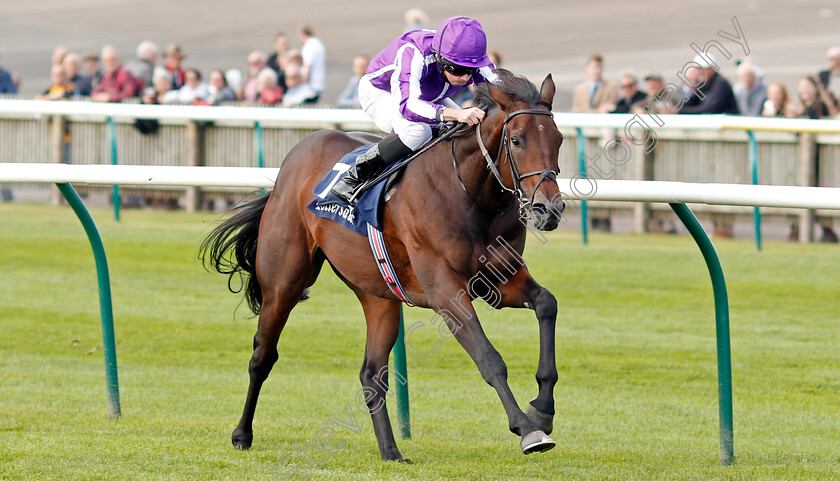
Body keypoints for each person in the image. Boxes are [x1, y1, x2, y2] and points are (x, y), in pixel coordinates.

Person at [330, 15, 497, 204]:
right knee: (418, 132)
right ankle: (357, 173)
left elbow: (502, 91)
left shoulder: (470, 57)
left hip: (427, 94)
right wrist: (457, 113)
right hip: (382, 92)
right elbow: (408, 106)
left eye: (471, 70)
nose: (466, 78)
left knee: (467, 128)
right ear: (438, 57)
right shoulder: (413, 52)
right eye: (457, 69)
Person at [298, 24, 327, 103]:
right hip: (319, 81)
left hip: (311, 84)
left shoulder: (309, 46)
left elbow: (308, 65)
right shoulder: (319, 44)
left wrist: (304, 82)